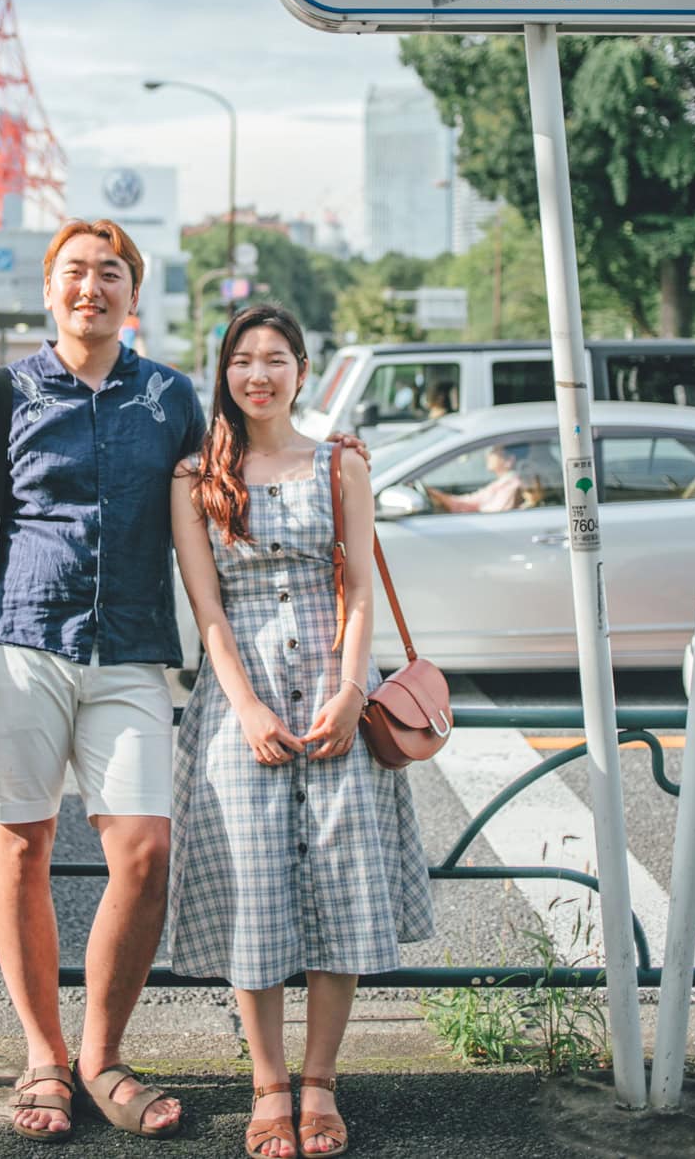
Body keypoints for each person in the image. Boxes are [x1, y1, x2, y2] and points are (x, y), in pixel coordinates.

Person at [0, 218, 205, 1141]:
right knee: (20, 848)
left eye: (110, 273)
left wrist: (331, 461)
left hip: (131, 651)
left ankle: (101, 1053)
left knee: (146, 851)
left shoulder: (168, 397)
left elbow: (219, 505)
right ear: (50, 291)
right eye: (75, 273)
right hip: (21, 643)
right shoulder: (2, 392)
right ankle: (43, 1058)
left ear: (134, 293)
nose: (92, 287)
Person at [168, 305, 433, 1159]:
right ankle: (269, 1084)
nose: (259, 374)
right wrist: (243, 706)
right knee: (253, 886)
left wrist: (355, 691)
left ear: (302, 369)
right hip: (238, 692)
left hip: (332, 686)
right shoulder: (196, 476)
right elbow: (207, 608)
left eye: (275, 359)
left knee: (340, 880)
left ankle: (320, 1081)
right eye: (243, 360)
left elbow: (356, 588)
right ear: (225, 374)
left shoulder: (339, 464)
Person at [426, 444, 522, 514]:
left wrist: (440, 497)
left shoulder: (512, 484)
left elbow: (495, 516)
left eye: (493, 452)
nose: (488, 456)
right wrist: (437, 495)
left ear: (509, 460)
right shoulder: (503, 482)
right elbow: (471, 502)